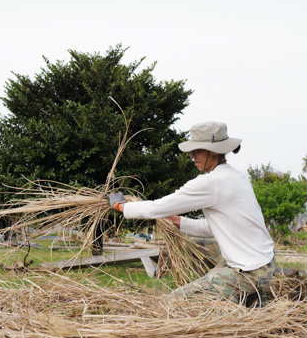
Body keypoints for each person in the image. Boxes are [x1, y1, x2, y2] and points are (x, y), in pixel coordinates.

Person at [111, 121, 276, 304]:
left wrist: (121, 206)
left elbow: (156, 207)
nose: (191, 156)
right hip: (265, 264)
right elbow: (218, 227)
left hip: (250, 272)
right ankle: (241, 296)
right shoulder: (238, 177)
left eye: (197, 150)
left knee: (170, 303)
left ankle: (237, 297)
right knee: (194, 245)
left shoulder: (211, 182)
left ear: (213, 151)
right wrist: (180, 222)